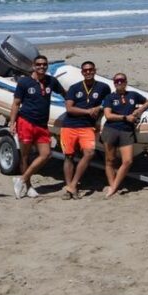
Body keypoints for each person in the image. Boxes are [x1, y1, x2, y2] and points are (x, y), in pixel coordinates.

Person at [9, 55, 66, 199]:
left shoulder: (51, 81)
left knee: (46, 154)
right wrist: (12, 122)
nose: (42, 66)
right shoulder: (24, 82)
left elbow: (65, 93)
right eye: (39, 64)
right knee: (25, 156)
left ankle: (21, 179)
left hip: (42, 124)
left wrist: (76, 103)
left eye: (44, 64)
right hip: (26, 122)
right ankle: (28, 187)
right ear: (34, 66)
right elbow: (16, 103)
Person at [60, 60, 111, 199]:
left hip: (87, 126)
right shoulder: (74, 88)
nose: (88, 72)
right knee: (69, 156)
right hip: (69, 125)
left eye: (90, 69)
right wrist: (88, 111)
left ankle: (72, 185)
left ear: (95, 71)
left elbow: (108, 102)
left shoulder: (103, 87)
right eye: (85, 70)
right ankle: (69, 188)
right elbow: (69, 108)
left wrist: (99, 108)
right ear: (82, 72)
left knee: (89, 153)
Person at [101, 73, 148, 198]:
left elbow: (147, 102)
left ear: (126, 82)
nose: (119, 83)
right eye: (117, 81)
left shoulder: (133, 95)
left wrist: (139, 110)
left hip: (127, 131)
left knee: (128, 161)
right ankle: (112, 186)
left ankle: (114, 186)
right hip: (111, 129)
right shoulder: (110, 97)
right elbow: (108, 115)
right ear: (114, 83)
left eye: (121, 80)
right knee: (110, 160)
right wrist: (125, 117)